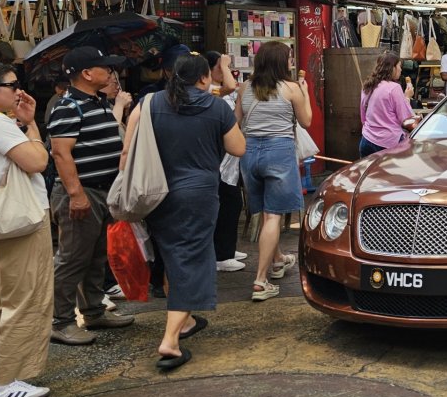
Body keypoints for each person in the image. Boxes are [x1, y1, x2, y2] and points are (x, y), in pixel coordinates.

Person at [125, 54, 244, 371]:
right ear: (205, 78)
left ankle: (187, 320)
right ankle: (170, 341)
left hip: (155, 194)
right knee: (192, 260)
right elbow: (238, 148)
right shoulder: (216, 107)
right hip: (198, 196)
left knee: (172, 255)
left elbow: (128, 151)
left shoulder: (148, 103)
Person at [48, 47, 135, 345]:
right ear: (86, 73)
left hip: (100, 191)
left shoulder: (97, 101)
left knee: (96, 255)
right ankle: (59, 321)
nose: (111, 72)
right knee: (73, 259)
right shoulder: (68, 105)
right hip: (82, 192)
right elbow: (61, 153)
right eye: (105, 67)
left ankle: (94, 310)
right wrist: (76, 194)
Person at [0, 62, 54, 397]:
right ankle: (6, 380)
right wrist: (32, 127)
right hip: (19, 223)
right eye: (11, 86)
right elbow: (37, 161)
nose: (19, 91)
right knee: (25, 299)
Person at [234, 41, 310, 302]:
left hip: (249, 153)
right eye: (289, 58)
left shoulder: (245, 87)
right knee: (273, 216)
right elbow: (306, 121)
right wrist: (306, 94)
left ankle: (277, 260)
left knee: (265, 214)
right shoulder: (291, 88)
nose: (291, 62)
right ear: (281, 61)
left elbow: (236, 122)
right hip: (278, 151)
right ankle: (260, 280)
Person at [205, 51, 246, 273]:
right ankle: (222, 254)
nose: (225, 72)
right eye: (220, 67)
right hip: (219, 157)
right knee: (228, 203)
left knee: (231, 202)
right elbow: (231, 87)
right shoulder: (211, 90)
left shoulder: (216, 90)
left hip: (229, 157)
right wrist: (226, 64)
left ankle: (227, 247)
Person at [359, 51, 414, 157]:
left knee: (368, 173)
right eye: (399, 66)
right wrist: (407, 97)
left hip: (367, 139)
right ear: (392, 68)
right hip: (388, 143)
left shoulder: (367, 85)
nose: (401, 69)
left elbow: (363, 117)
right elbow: (406, 119)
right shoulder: (394, 88)